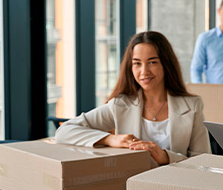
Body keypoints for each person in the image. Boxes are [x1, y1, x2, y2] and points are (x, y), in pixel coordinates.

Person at [56, 31, 211, 165]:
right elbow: (64, 131)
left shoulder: (192, 106)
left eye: (152, 62)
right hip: (130, 188)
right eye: (137, 63)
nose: (144, 71)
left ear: (166, 64)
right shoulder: (120, 105)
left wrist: (166, 157)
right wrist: (111, 139)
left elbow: (204, 163)